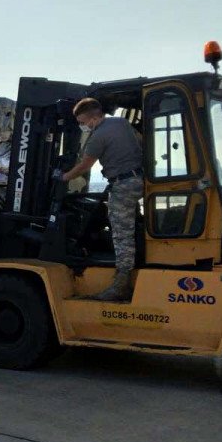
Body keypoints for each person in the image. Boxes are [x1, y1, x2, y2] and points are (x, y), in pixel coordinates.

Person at [59, 97, 143, 301]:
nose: (83, 126)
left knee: (121, 234)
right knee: (134, 222)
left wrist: (63, 177)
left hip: (123, 185)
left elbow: (86, 165)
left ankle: (121, 283)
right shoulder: (122, 123)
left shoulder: (98, 136)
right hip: (140, 179)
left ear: (93, 118)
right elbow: (139, 142)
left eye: (82, 122)